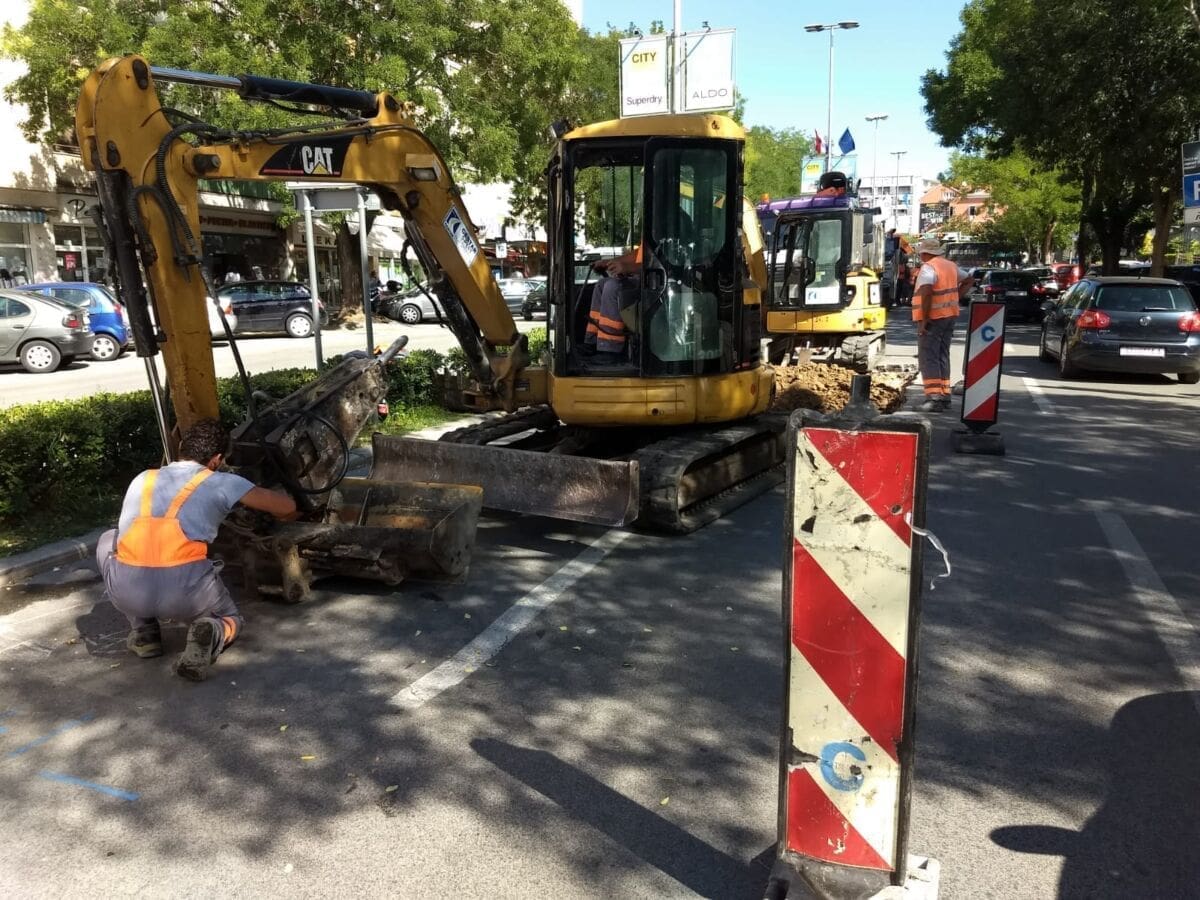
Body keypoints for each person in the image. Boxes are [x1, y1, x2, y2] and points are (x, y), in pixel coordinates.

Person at [96, 419, 298, 681]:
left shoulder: (143, 478)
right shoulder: (223, 482)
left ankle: (145, 633)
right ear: (216, 459)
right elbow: (286, 507)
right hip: (187, 595)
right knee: (232, 617)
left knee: (108, 539)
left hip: (128, 593)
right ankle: (213, 630)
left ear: (182, 447)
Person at [912, 238, 973, 412]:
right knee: (942, 355)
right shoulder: (950, 265)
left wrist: (924, 321)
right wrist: (955, 298)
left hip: (933, 318)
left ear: (924, 253)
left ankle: (933, 399)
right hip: (949, 316)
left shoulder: (928, 268)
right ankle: (944, 396)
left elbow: (926, 292)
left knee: (928, 356)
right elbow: (969, 280)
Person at [584, 246, 641, 357]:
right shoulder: (650, 240)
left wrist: (627, 267)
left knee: (612, 286)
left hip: (650, 284)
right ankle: (592, 341)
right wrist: (609, 263)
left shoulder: (666, 240)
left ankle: (610, 349)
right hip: (637, 280)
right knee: (601, 284)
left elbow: (652, 265)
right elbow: (635, 257)